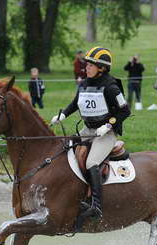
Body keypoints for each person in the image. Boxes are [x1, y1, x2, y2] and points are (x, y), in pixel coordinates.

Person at [50, 47, 130, 219]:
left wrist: (109, 126)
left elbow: (125, 111)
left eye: (91, 65)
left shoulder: (111, 87)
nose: (86, 68)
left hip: (105, 133)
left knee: (91, 162)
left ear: (101, 68)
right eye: (86, 64)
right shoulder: (84, 83)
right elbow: (75, 104)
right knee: (66, 153)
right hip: (88, 130)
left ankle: (96, 206)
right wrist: (62, 114)